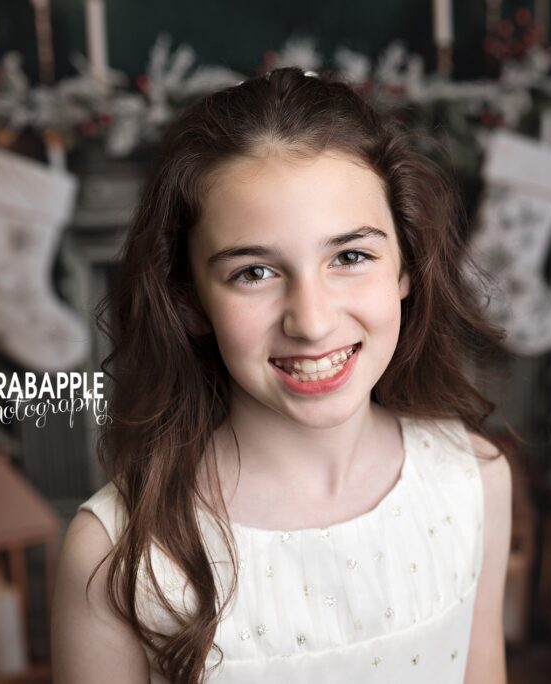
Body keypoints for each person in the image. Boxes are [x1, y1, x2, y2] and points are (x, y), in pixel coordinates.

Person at [52, 67, 513, 683]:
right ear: (190, 300)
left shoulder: (473, 483)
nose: (313, 321)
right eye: (253, 273)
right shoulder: (117, 556)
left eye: (350, 257)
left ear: (407, 267)